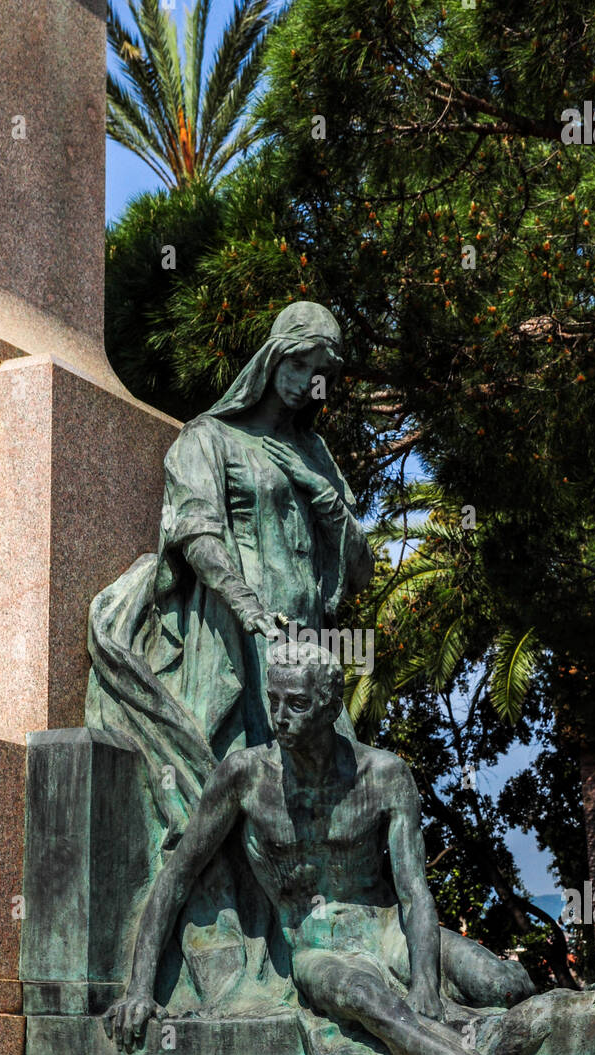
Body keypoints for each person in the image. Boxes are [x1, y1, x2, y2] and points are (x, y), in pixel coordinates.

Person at [105, 643, 595, 1055]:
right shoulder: (245, 777)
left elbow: (414, 890)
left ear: (330, 708)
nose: (280, 718)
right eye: (273, 701)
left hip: (389, 928)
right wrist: (139, 989)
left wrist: (424, 982)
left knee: (503, 985)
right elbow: (176, 875)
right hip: (318, 949)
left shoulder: (385, 775)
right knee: (377, 1005)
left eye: (297, 705)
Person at [86, 303, 373, 1010]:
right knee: (223, 787)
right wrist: (245, 605)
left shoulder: (315, 455)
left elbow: (358, 568)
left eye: (325, 373)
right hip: (230, 637)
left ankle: (313, 947)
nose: (312, 383)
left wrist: (332, 511)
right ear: (275, 357)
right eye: (303, 365)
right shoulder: (207, 438)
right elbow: (193, 530)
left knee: (314, 794)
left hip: (300, 647)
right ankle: (214, 965)